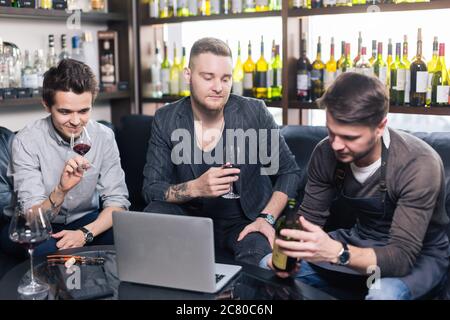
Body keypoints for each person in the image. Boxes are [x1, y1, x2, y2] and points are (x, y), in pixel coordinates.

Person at [262, 72, 449, 300]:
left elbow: (400, 258)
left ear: (380, 127)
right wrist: (289, 255)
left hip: (417, 254)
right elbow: (308, 220)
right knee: (266, 265)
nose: (337, 145)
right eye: (332, 133)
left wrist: (338, 253)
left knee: (384, 294)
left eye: (350, 137)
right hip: (360, 239)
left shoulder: (418, 164)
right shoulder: (325, 152)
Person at [142, 37, 300, 266]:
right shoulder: (166, 119)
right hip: (191, 220)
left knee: (258, 253)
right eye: (208, 77)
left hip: (244, 222)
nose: (218, 87)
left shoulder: (254, 112)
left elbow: (289, 172)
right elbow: (151, 189)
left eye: (226, 79)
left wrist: (266, 218)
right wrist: (196, 187)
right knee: (154, 212)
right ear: (188, 75)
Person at [1, 59, 130, 257]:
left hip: (86, 221)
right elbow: (32, 217)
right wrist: (61, 190)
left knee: (129, 239)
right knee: (50, 254)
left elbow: (117, 202)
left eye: (84, 111)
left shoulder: (103, 136)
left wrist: (85, 233)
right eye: (65, 112)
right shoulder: (26, 141)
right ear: (46, 105)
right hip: (37, 224)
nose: (76, 121)